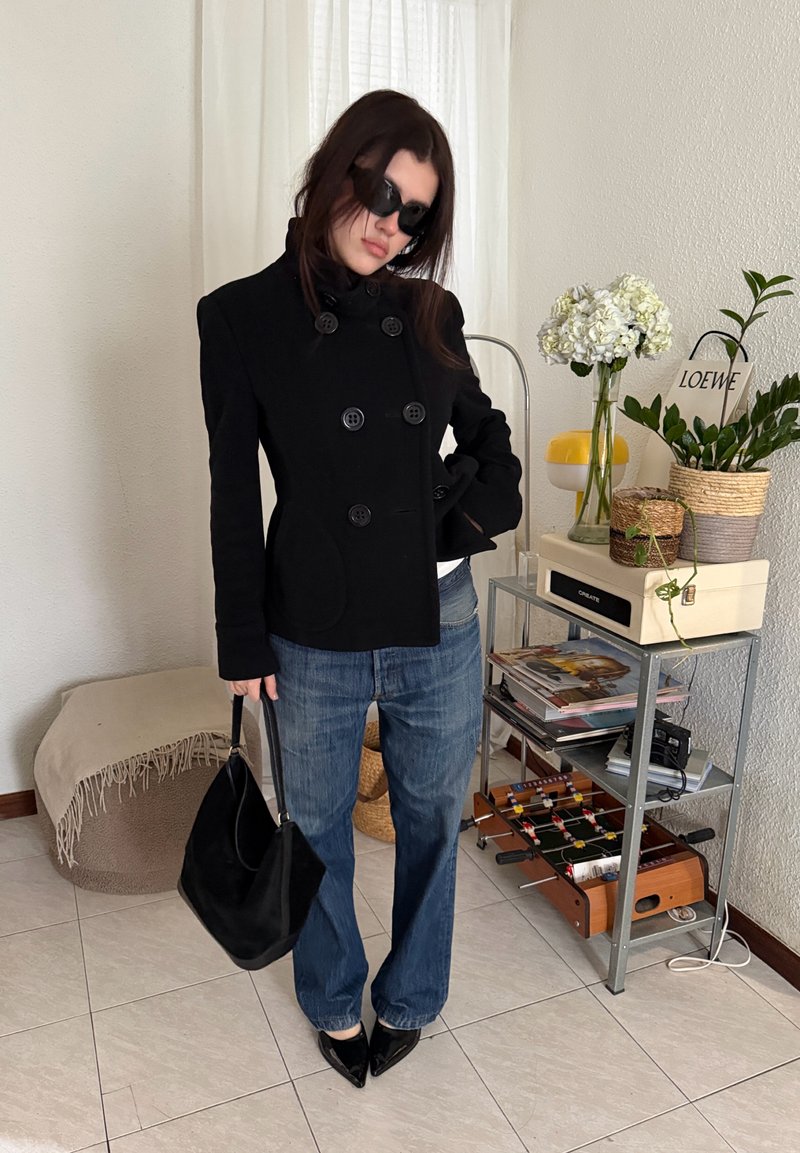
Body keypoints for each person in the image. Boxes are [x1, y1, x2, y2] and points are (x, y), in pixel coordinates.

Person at [197, 89, 522, 1089]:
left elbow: (490, 443)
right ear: (335, 169)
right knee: (317, 826)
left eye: (415, 211)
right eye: (380, 191)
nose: (392, 223)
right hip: (313, 622)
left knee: (431, 820)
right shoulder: (238, 316)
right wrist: (242, 642)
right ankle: (335, 999)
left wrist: (461, 522)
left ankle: (413, 994)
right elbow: (230, 492)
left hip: (440, 617)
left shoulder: (429, 312)